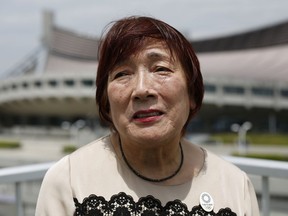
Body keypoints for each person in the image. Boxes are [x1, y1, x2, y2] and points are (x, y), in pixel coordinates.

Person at [35, 16, 259, 215]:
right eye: (122, 74)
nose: (142, 89)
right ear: (106, 100)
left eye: (161, 69)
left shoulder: (235, 185)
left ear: (192, 92)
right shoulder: (69, 180)